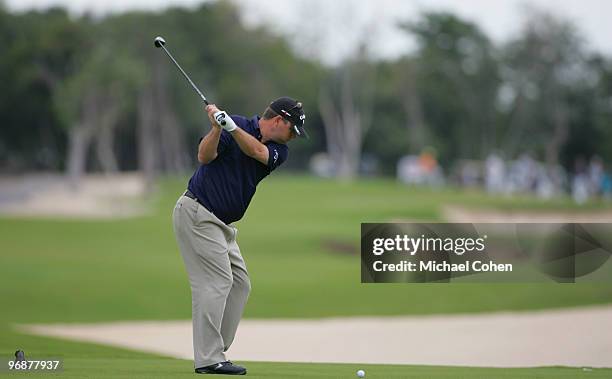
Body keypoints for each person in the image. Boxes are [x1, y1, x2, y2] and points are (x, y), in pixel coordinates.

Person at [172, 97, 307, 375]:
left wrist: (230, 127)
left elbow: (258, 152)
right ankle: (209, 358)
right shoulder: (234, 124)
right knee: (217, 282)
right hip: (198, 212)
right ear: (279, 120)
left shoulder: (279, 150)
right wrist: (217, 129)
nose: (294, 136)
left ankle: (215, 351)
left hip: (221, 225)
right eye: (293, 129)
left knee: (240, 284)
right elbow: (204, 156)